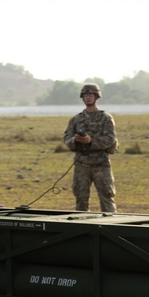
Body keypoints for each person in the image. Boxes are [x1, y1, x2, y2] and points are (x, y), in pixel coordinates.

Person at [63, 83, 118, 212]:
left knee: (107, 198)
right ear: (82, 97)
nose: (88, 98)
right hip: (82, 164)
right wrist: (75, 140)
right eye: (86, 95)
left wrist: (91, 141)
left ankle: (111, 226)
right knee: (81, 199)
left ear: (96, 97)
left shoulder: (105, 118)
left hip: (101, 163)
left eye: (91, 95)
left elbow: (110, 139)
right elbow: (67, 138)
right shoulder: (76, 120)